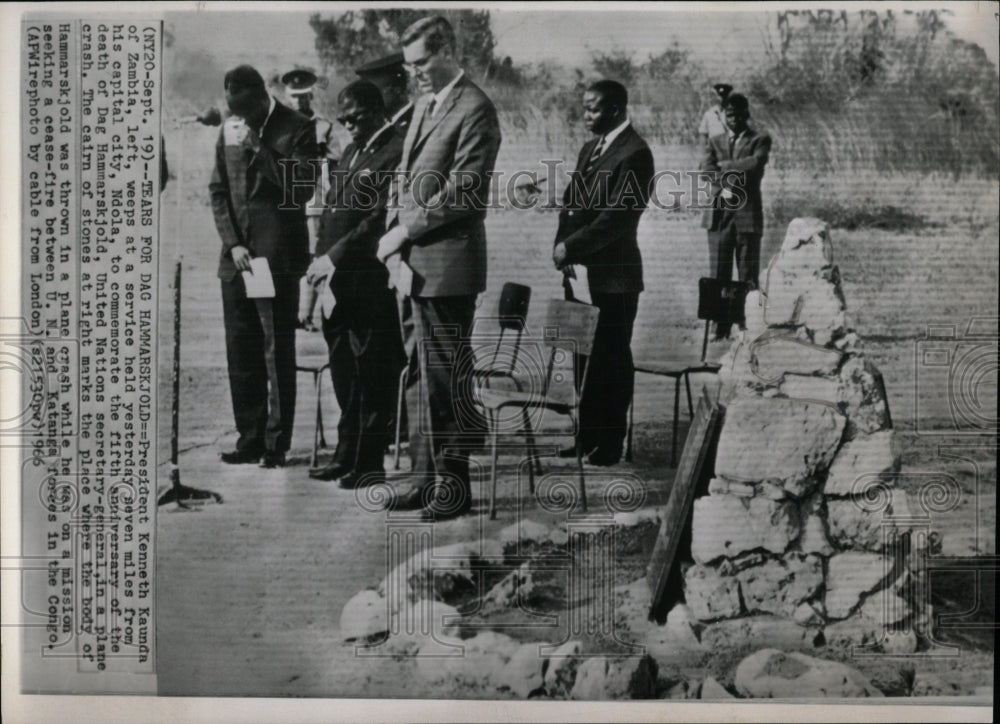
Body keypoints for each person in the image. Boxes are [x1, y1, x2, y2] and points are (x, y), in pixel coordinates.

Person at [376, 15, 502, 520]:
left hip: (447, 265)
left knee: (446, 377)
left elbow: (465, 189)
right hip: (414, 264)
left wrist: (403, 231)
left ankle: (452, 487)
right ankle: (423, 478)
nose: (416, 73)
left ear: (448, 49)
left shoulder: (475, 108)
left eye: (423, 61)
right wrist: (394, 241)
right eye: (410, 65)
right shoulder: (427, 104)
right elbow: (406, 180)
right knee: (418, 374)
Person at [210, 65, 318, 468]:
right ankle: (249, 438)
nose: (240, 119)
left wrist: (259, 147)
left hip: (274, 261)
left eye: (245, 111)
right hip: (237, 260)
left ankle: (276, 443)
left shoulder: (297, 126)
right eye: (233, 111)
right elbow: (218, 191)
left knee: (275, 351)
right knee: (241, 353)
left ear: (261, 97)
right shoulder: (229, 127)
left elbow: (303, 187)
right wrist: (233, 242)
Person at [305, 81, 406, 488]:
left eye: (357, 117)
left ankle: (368, 463)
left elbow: (377, 220)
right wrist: (320, 256)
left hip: (366, 279)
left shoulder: (396, 151)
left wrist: (334, 256)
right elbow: (334, 210)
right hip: (336, 282)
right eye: (344, 118)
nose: (349, 125)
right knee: (345, 372)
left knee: (372, 372)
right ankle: (346, 455)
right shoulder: (350, 150)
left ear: (378, 110)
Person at [551, 80, 655, 467]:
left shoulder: (636, 153)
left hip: (615, 276)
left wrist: (571, 246)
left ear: (614, 109)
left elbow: (616, 219)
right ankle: (587, 436)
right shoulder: (589, 149)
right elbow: (572, 204)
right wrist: (562, 246)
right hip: (579, 273)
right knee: (582, 357)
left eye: (592, 108)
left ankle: (609, 443)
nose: (585, 115)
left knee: (611, 357)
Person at [701, 92, 772, 340]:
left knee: (747, 274)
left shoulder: (760, 139)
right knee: (718, 274)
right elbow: (706, 171)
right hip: (719, 215)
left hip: (746, 215)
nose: (734, 119)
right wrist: (730, 174)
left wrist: (725, 167)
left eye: (739, 114)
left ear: (746, 114)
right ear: (724, 116)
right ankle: (718, 327)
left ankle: (748, 326)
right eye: (729, 114)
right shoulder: (715, 140)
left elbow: (755, 165)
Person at [282, 68, 341, 332]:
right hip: (284, 201)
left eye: (304, 96)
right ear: (287, 96)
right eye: (294, 96)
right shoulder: (278, 125)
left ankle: (305, 315)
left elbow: (336, 163)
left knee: (313, 255)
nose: (299, 101)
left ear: (311, 96)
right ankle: (288, 311)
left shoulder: (323, 127)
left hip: (314, 201)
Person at [355, 53, 415, 135]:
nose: (369, 101)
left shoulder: (415, 122)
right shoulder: (383, 128)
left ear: (397, 89)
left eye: (374, 94)